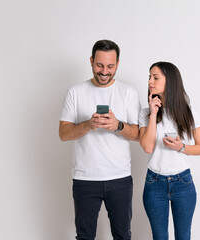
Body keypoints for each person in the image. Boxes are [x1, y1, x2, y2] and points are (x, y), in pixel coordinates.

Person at [59, 40, 141, 240]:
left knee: (123, 236)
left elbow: (139, 134)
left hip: (120, 177)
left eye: (110, 66)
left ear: (117, 64)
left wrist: (118, 126)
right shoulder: (75, 92)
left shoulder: (128, 92)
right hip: (85, 179)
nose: (104, 71)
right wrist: (88, 125)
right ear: (91, 61)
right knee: (85, 236)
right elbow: (63, 133)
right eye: (99, 65)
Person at [138, 61, 200, 240]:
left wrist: (181, 147)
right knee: (159, 237)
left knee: (183, 236)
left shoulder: (190, 112)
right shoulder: (145, 113)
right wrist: (153, 114)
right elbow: (147, 147)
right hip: (154, 184)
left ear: (170, 81)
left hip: (182, 182)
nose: (150, 81)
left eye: (155, 77)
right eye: (149, 77)